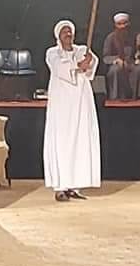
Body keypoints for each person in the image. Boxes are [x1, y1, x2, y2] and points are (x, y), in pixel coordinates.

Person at [43, 20, 100, 201]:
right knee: (62, 141)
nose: (68, 34)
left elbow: (90, 65)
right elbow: (60, 68)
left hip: (81, 101)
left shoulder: (81, 50)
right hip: (62, 104)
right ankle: (60, 186)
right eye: (64, 32)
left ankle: (74, 186)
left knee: (80, 140)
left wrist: (89, 61)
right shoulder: (52, 53)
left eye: (70, 31)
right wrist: (78, 65)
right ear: (58, 36)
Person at [102, 13, 140, 100]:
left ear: (129, 23)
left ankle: (139, 98)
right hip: (117, 64)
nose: (123, 26)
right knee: (115, 70)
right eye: (119, 24)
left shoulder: (135, 36)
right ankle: (116, 99)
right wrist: (116, 60)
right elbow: (106, 57)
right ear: (115, 25)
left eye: (125, 23)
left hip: (132, 64)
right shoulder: (110, 38)